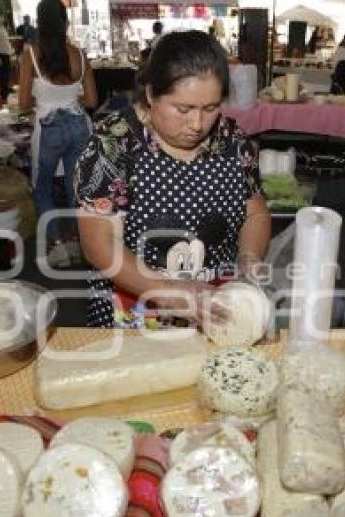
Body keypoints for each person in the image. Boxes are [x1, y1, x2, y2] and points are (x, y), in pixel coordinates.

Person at [74, 30, 270, 328]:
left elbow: (254, 213)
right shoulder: (112, 146)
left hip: (213, 307)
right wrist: (168, 292)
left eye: (210, 108)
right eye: (183, 109)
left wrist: (249, 258)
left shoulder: (233, 141)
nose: (197, 124)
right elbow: (99, 245)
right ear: (151, 93)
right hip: (134, 314)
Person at [19, 0, 97, 265]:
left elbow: (23, 105)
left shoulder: (31, 55)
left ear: (39, 24)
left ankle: (58, 246)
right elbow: (92, 100)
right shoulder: (80, 55)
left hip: (48, 128)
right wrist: (69, 98)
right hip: (78, 125)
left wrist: (45, 99)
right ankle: (79, 243)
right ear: (65, 22)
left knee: (42, 188)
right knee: (75, 187)